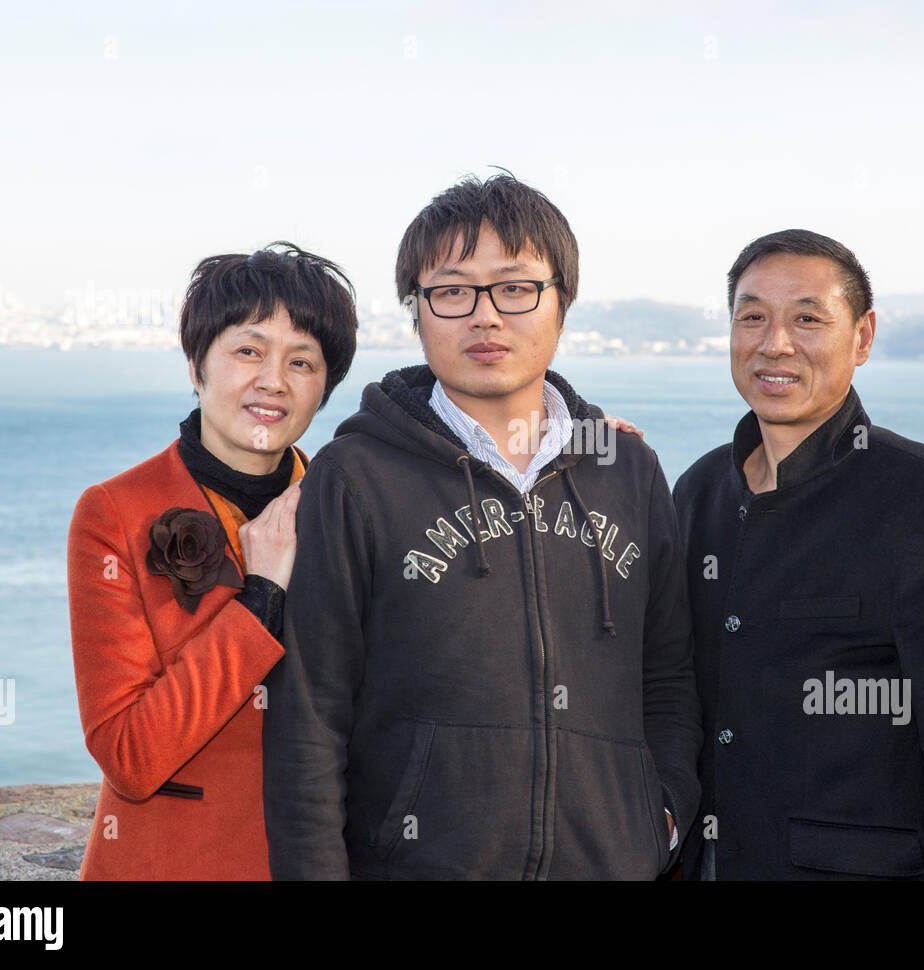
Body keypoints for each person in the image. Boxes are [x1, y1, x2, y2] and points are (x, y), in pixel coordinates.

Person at [262, 173, 702, 880]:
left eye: (516, 287)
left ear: (562, 303)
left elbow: (669, 675)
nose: (486, 316)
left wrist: (662, 818)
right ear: (418, 311)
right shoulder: (356, 475)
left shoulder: (629, 470)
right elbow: (309, 719)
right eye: (452, 290)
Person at [673, 229, 924, 880]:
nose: (774, 342)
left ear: (862, 337)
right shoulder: (699, 491)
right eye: (752, 317)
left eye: (808, 318)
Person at [67, 242, 358, 879]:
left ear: (323, 391)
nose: (273, 381)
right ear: (198, 365)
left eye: (302, 361)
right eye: (248, 350)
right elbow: (130, 756)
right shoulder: (115, 512)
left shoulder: (346, 508)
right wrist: (259, 597)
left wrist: (570, 439)